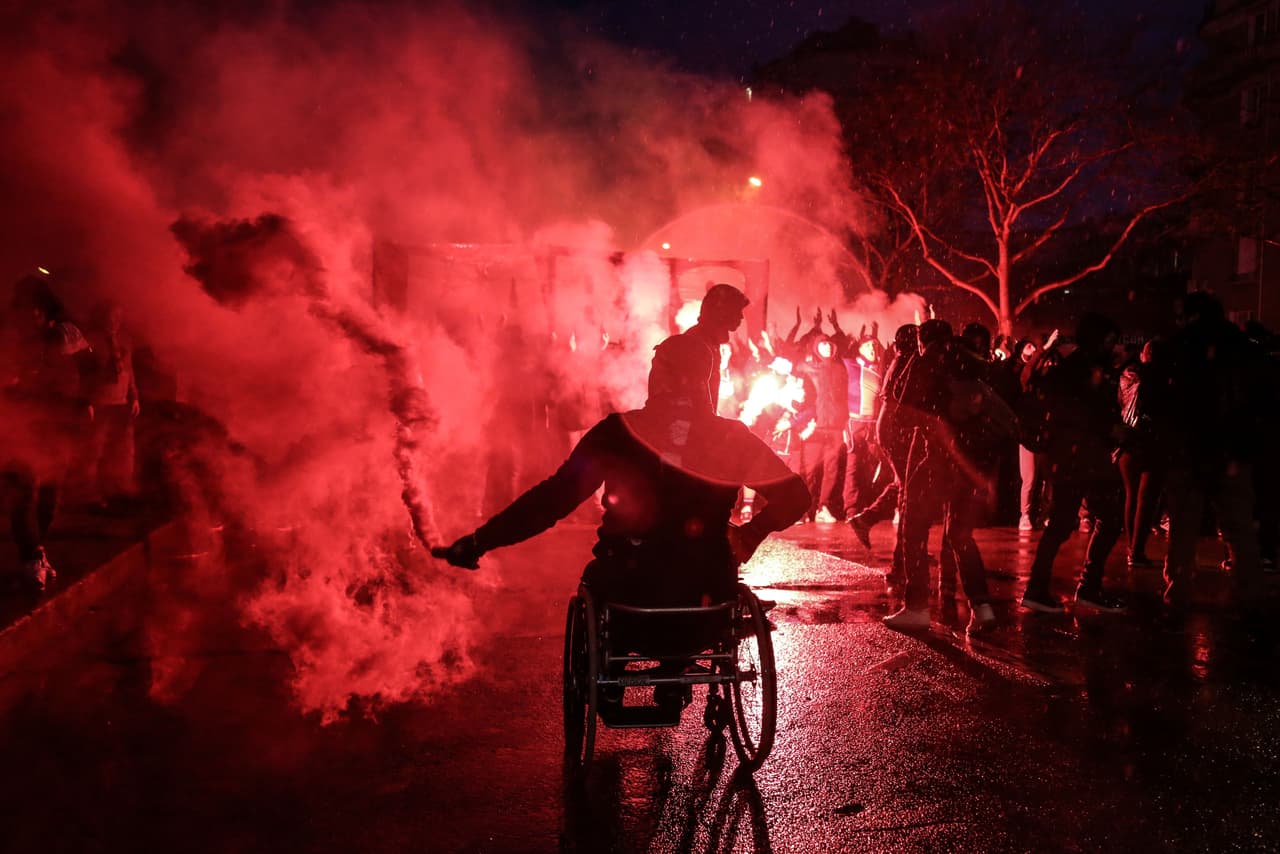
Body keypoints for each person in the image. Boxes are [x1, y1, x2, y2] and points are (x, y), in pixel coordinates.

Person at [435, 333, 810, 701]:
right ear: (707, 382)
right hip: (707, 604)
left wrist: (481, 540)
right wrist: (751, 534)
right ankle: (673, 671)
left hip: (628, 601)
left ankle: (612, 672)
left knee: (599, 578)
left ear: (658, 377)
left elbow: (553, 499)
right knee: (693, 571)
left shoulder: (619, 432)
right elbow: (795, 496)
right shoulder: (731, 437)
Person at [1018, 313, 1127, 614]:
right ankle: (1086, 588)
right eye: (1109, 340)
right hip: (1082, 456)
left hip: (1069, 456)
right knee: (1107, 518)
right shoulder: (1085, 369)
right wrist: (1111, 429)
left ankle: (1040, 589)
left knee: (1064, 522)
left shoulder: (1075, 367)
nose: (1113, 346)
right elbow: (1083, 414)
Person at [2, 275, 96, 592]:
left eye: (34, 308)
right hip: (21, 423)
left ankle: (38, 552)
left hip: (58, 424)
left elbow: (89, 369)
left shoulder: (67, 333)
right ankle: (31, 557)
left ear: (44, 308)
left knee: (50, 495)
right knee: (22, 490)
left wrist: (83, 402)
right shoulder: (12, 337)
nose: (29, 315)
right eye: (24, 308)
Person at [84, 300, 141, 507]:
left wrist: (134, 397)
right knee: (95, 450)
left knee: (122, 450)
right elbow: (84, 373)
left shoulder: (125, 339)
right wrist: (86, 401)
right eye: (110, 317)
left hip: (121, 402)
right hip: (99, 401)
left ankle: (120, 491)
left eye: (118, 317)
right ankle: (89, 494)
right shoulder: (90, 341)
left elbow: (129, 371)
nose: (114, 321)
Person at [668, 283, 751, 414]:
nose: (741, 316)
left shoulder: (709, 342)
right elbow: (695, 411)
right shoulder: (697, 344)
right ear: (722, 312)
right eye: (737, 310)